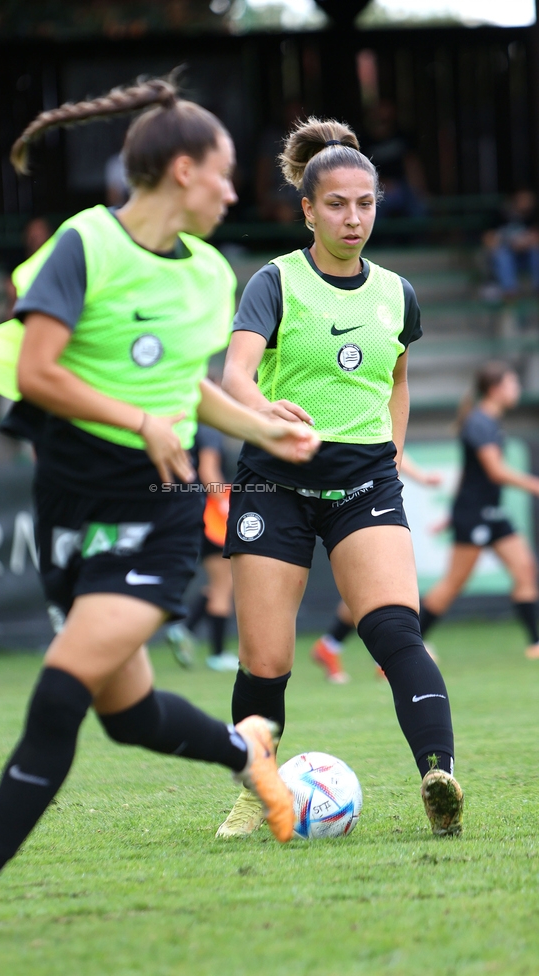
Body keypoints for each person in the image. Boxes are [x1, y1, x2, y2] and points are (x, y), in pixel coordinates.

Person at [0, 76, 322, 943]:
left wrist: (261, 426)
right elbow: (38, 373)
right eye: (223, 175)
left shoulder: (212, 272)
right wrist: (140, 418)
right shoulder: (84, 246)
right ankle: (243, 751)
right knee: (129, 716)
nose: (231, 191)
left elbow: (183, 388)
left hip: (161, 509)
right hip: (68, 505)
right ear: (181, 171)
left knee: (60, 689)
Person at [217, 117, 463, 840]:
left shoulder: (397, 293)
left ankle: (438, 775)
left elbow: (399, 380)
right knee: (266, 662)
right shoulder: (275, 282)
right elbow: (233, 376)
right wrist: (265, 409)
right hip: (274, 482)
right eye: (336, 205)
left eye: (365, 203)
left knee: (395, 631)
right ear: (307, 209)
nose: (353, 217)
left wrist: (391, 450)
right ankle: (257, 790)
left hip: (364, 483)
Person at [418, 362, 539, 659]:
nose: (517, 390)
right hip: (474, 515)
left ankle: (535, 644)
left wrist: (449, 516)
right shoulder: (479, 422)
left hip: (491, 513)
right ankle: (404, 650)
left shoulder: (489, 421)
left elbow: (467, 474)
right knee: (452, 584)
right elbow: (495, 471)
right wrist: (532, 483)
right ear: (496, 389)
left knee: (525, 570)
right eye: (512, 384)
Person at [312, 452, 443, 683]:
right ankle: (384, 657)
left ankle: (331, 646)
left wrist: (421, 477)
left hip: (379, 497)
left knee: (372, 588)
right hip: (356, 505)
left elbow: (392, 447)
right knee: (377, 587)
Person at [166, 423, 238, 671]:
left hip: (195, 513)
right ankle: (217, 654)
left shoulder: (187, 428)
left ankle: (184, 628)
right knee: (223, 586)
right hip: (211, 518)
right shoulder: (208, 431)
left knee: (218, 585)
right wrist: (224, 505)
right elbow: (208, 471)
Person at [482, 191, 539, 300]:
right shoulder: (499, 215)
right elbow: (488, 240)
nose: (526, 203)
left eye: (529, 200)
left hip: (525, 256)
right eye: (523, 199)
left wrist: (525, 244)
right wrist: (510, 244)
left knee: (536, 252)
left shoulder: (532, 216)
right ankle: (510, 291)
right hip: (506, 258)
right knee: (502, 254)